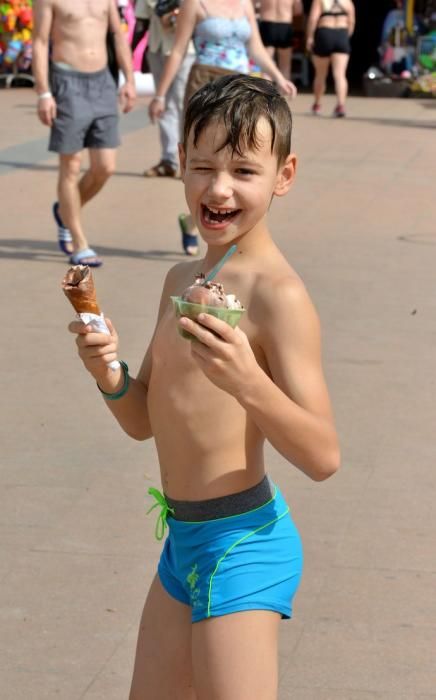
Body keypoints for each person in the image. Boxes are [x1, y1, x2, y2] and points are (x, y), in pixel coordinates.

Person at [68, 74, 340, 699]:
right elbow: (144, 421)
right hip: (182, 545)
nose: (218, 188)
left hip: (243, 544)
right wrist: (106, 371)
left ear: (284, 175)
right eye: (202, 166)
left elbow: (324, 456)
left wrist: (247, 380)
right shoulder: (180, 278)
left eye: (244, 170)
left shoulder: (279, 295)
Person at [148, 0, 298, 258]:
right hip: (206, 84)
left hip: (242, 89)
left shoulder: (244, 4)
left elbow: (255, 46)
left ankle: (195, 222)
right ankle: (209, 235)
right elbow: (179, 50)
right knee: (211, 161)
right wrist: (160, 95)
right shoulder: (194, 3)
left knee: (238, 162)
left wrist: (278, 76)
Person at [32, 0, 136, 267]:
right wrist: (44, 92)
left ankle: (65, 211)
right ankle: (79, 243)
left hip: (103, 83)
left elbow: (117, 34)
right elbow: (40, 42)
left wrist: (129, 79)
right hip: (67, 83)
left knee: (105, 167)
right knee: (71, 165)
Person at [133, 0, 195, 179]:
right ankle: (169, 160)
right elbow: (141, 21)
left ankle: (191, 162)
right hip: (157, 49)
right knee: (165, 105)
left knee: (184, 105)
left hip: (186, 52)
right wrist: (131, 51)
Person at [306, 0, 355, 117]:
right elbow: (352, 21)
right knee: (340, 75)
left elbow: (313, 19)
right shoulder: (347, 2)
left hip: (325, 33)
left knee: (320, 74)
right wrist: (345, 36)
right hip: (341, 34)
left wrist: (310, 37)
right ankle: (340, 105)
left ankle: (317, 104)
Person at [258, 0, 304, 81]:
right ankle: (284, 92)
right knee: (285, 67)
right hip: (285, 24)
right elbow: (298, 10)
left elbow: (252, 5)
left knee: (266, 65)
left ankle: (266, 92)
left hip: (267, 24)